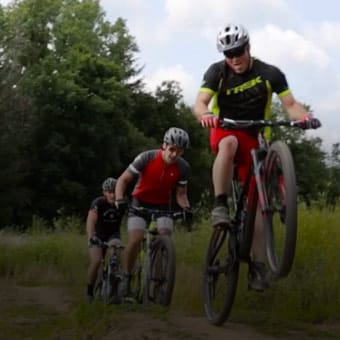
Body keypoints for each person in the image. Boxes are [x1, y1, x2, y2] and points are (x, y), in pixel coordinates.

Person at [192, 23, 321, 291]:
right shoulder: (217, 72)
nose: (235, 58)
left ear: (248, 47)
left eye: (238, 51)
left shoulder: (269, 73)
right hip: (225, 129)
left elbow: (290, 105)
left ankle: (259, 265)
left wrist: (305, 117)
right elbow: (200, 102)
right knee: (227, 144)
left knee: (258, 209)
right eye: (229, 54)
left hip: (255, 135)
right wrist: (204, 114)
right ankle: (219, 205)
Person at [115, 127, 193, 297]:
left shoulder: (183, 167)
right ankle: (126, 278)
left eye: (178, 151)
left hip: (163, 205)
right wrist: (119, 200)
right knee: (135, 239)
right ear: (164, 146)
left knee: (164, 236)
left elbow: (181, 194)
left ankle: (159, 280)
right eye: (172, 149)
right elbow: (123, 180)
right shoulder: (147, 157)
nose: (174, 154)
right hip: (139, 203)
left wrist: (186, 208)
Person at [86, 177, 123, 303]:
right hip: (98, 236)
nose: (112, 194)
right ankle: (90, 291)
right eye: (109, 192)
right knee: (96, 261)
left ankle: (113, 291)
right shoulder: (99, 203)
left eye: (114, 191)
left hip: (113, 235)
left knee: (115, 255)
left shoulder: (122, 203)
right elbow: (91, 220)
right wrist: (92, 237)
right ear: (104, 193)